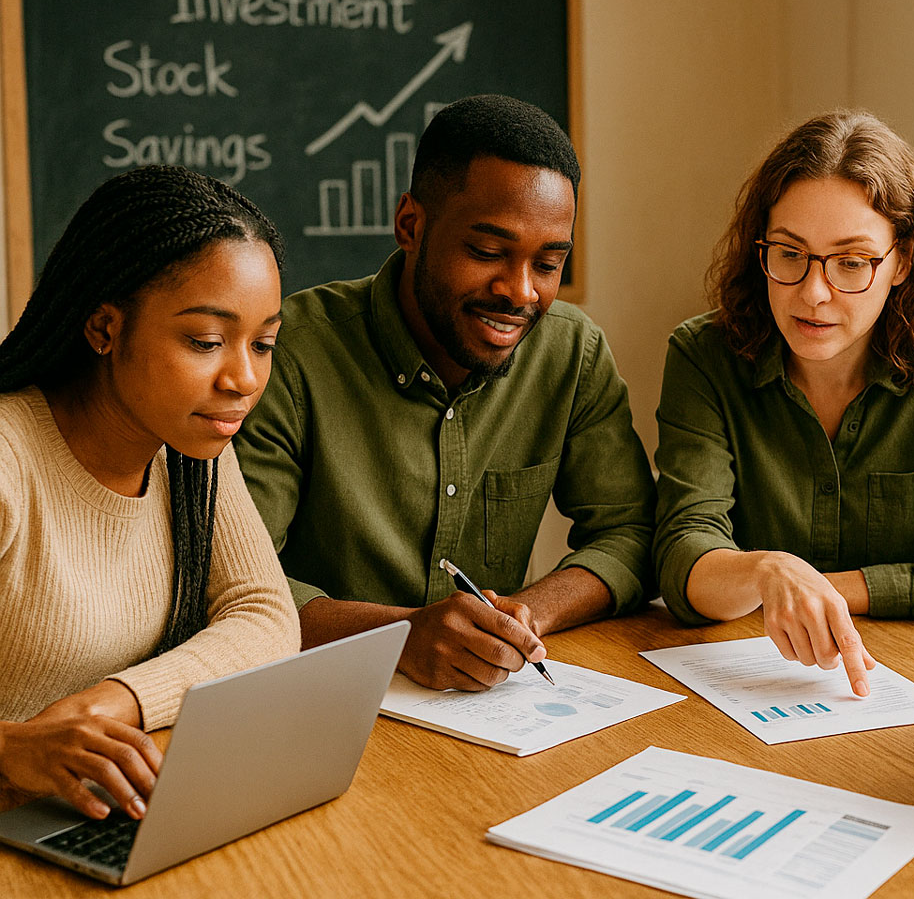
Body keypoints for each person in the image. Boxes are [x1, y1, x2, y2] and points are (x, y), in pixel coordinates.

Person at [235, 95, 655, 693]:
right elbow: (240, 581)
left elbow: (632, 531)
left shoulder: (572, 353)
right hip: (319, 701)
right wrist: (400, 635)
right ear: (411, 224)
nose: (520, 292)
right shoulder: (289, 354)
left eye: (548, 263)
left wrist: (526, 612)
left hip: (491, 711)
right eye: (487, 252)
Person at [653, 110, 914, 696]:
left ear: (900, 262)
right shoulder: (704, 357)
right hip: (746, 677)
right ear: (760, 251)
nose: (814, 292)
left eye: (851, 262)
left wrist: (832, 588)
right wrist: (767, 571)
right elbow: (681, 556)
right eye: (789, 254)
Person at [0, 165, 301, 822]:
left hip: (84, 815)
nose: (244, 379)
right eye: (206, 342)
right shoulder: (9, 460)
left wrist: (112, 702)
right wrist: (11, 748)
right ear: (105, 328)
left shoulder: (190, 449)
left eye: (263, 343)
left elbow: (266, 615)